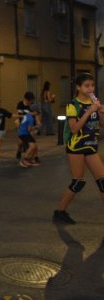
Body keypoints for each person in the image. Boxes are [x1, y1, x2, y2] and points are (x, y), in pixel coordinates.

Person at [53, 73, 104, 224]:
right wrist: (90, 111)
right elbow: (74, 128)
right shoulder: (72, 105)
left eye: (92, 85)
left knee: (102, 182)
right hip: (76, 146)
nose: (90, 89)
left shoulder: (94, 103)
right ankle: (60, 211)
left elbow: (101, 125)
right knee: (78, 182)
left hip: (91, 146)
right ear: (78, 87)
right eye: (86, 86)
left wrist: (100, 112)